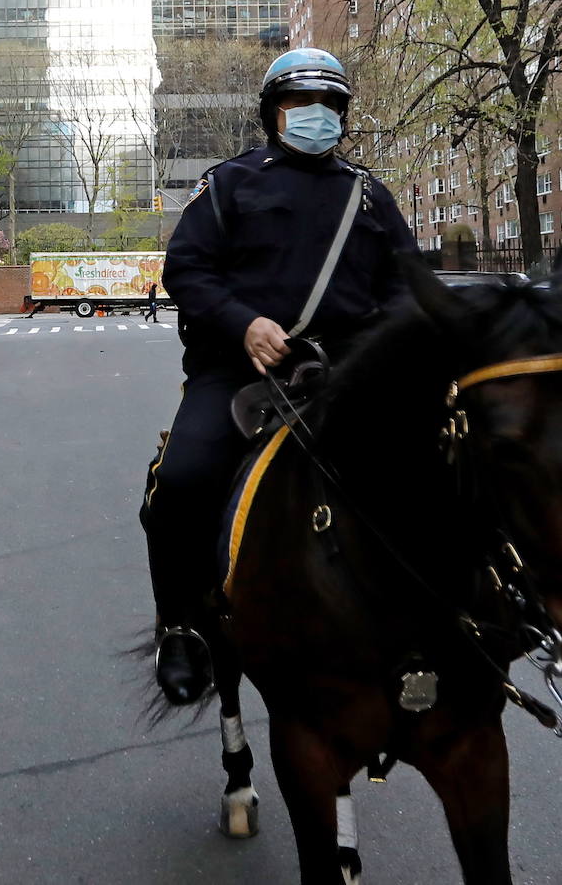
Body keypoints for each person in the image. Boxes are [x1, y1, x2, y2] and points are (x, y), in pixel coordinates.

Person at [140, 48, 418, 704]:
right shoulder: (230, 184)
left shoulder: (369, 196)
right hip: (242, 373)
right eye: (301, 105)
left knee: (438, 467)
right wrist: (243, 323)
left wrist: (387, 347)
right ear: (273, 114)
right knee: (179, 482)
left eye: (328, 106)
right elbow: (187, 271)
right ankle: (181, 628)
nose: (315, 117)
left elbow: (406, 286)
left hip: (347, 375)